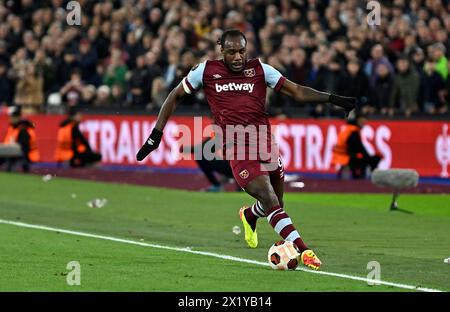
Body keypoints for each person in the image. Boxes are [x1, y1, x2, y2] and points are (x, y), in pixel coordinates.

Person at [136, 30, 356, 271]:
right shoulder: (206, 71)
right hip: (236, 147)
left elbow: (297, 92)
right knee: (270, 198)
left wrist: (334, 99)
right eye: (232, 52)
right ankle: (305, 251)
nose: (238, 57)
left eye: (242, 51)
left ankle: (250, 215)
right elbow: (174, 95)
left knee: (276, 204)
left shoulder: (261, 69)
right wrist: (156, 135)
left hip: (265, 143)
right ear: (222, 51)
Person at [331, 112, 381, 179]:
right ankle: (363, 177)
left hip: (340, 154)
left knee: (364, 158)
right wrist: (368, 157)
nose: (364, 123)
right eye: (362, 121)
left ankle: (357, 174)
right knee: (369, 160)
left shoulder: (348, 128)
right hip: (345, 156)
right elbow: (357, 147)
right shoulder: (353, 131)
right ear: (358, 120)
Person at [1, 105, 40, 172]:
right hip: (13, 153)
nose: (10, 119)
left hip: (25, 155)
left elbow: (24, 147)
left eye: (12, 117)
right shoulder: (13, 127)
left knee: (11, 163)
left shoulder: (23, 129)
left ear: (18, 117)